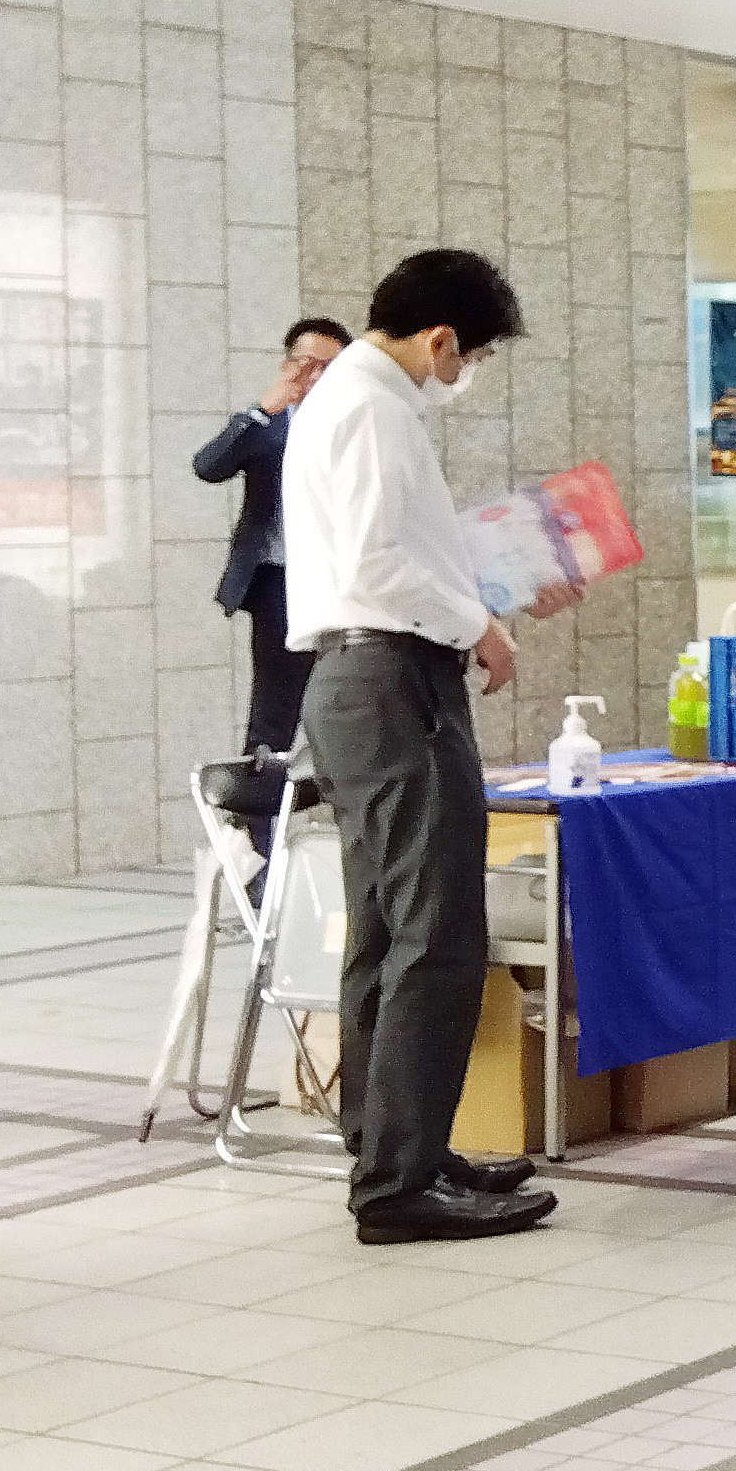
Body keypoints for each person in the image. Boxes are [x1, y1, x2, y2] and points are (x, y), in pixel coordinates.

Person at [288, 249, 571, 1242]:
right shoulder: (369, 406)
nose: (468, 374)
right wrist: (476, 626)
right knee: (435, 930)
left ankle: (398, 1150)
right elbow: (377, 565)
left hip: (369, 678)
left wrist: (481, 594)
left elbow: (400, 551)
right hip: (392, 677)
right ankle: (400, 1184)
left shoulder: (360, 403)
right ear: (439, 338)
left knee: (386, 929)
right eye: (473, 355)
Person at [192, 317, 352, 753]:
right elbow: (209, 466)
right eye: (306, 364)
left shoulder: (359, 426)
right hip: (279, 580)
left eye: (329, 367)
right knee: (275, 708)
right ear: (286, 366)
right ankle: (256, 817)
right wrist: (267, 407)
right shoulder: (266, 423)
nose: (316, 376)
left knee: (348, 703)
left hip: (345, 583)